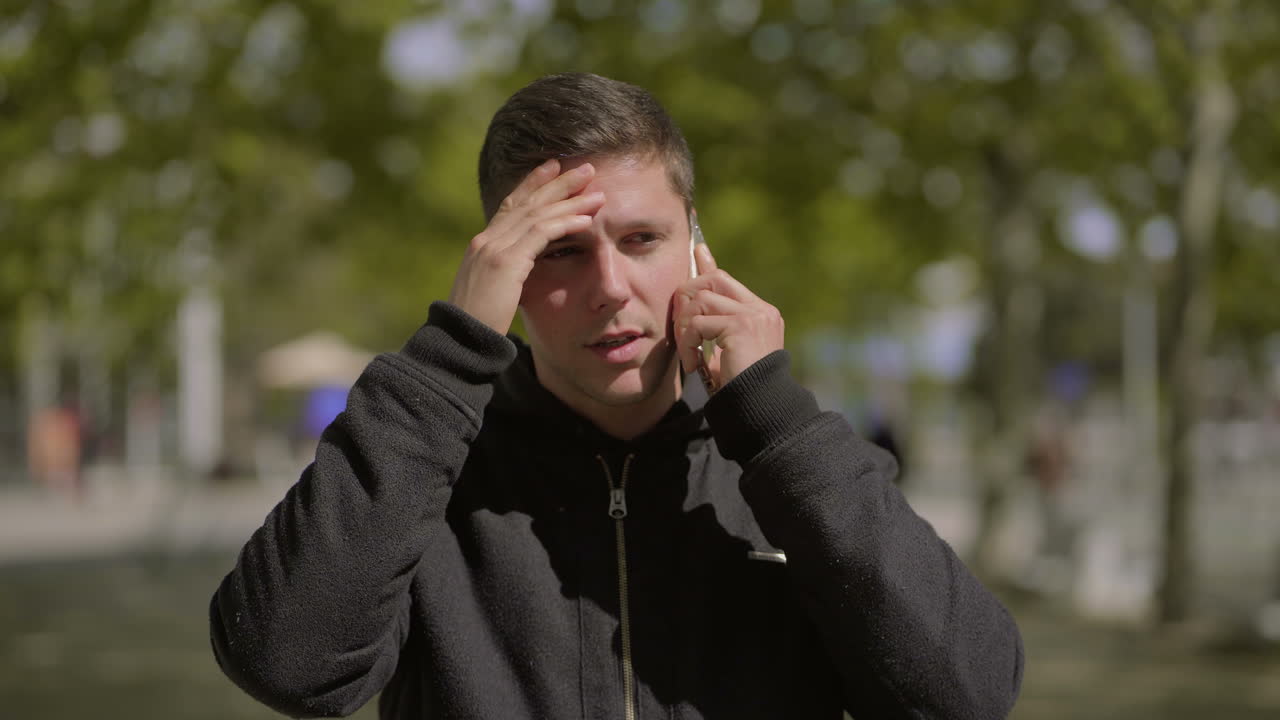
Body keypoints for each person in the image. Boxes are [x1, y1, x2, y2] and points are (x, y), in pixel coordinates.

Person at [210, 73, 1023, 719]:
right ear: (505, 270)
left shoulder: (784, 463)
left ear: (697, 246)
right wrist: (451, 351)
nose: (609, 287)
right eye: (559, 251)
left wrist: (774, 416)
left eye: (642, 240)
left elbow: (967, 693)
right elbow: (289, 666)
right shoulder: (429, 467)